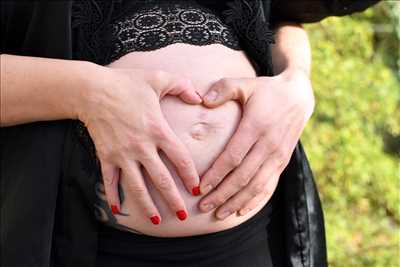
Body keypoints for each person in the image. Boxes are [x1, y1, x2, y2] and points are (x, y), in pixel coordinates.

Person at [0, 1, 379, 267]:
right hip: (77, 235)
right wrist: (85, 92)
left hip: (250, 235)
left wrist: (296, 81)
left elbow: (282, 16)